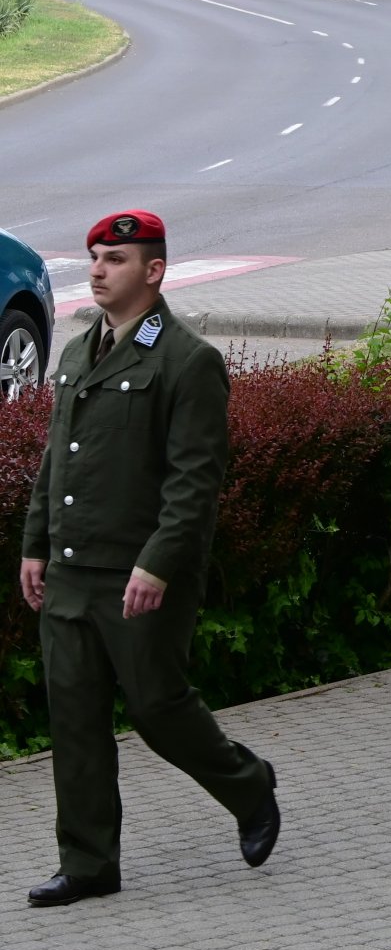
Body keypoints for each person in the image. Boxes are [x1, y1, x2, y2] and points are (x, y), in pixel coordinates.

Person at [20, 211, 280, 908]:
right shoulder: (78, 353)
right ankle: (88, 863)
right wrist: (35, 545)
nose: (98, 270)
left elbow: (195, 479)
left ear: (154, 271)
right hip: (73, 572)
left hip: (140, 576)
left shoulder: (186, 361)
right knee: (73, 720)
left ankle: (249, 785)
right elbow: (56, 461)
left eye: (115, 259)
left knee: (158, 709)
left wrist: (159, 563)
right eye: (96, 258)